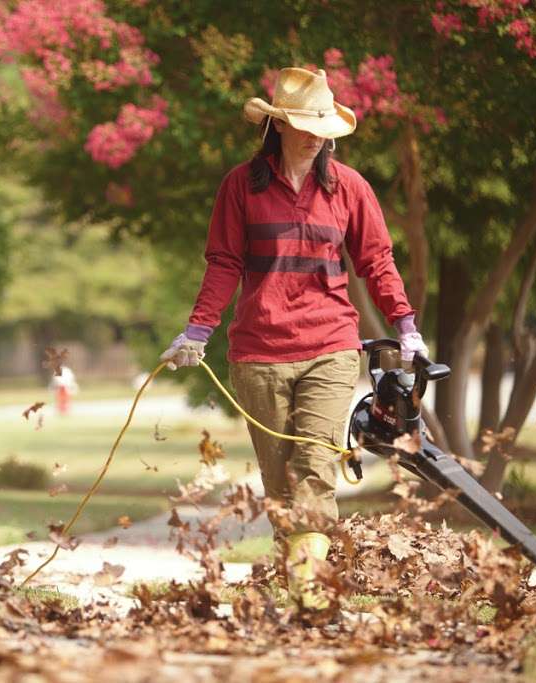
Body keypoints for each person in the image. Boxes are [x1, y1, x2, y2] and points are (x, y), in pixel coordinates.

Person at [160, 67, 428, 609]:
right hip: (258, 352)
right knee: (280, 480)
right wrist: (197, 330)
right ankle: (302, 581)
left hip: (330, 345)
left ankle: (311, 593)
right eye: (304, 123)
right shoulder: (241, 185)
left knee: (313, 465)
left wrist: (405, 325)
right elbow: (224, 262)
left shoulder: (349, 187)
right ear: (278, 126)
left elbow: (376, 260)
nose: (315, 134)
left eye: (322, 124)